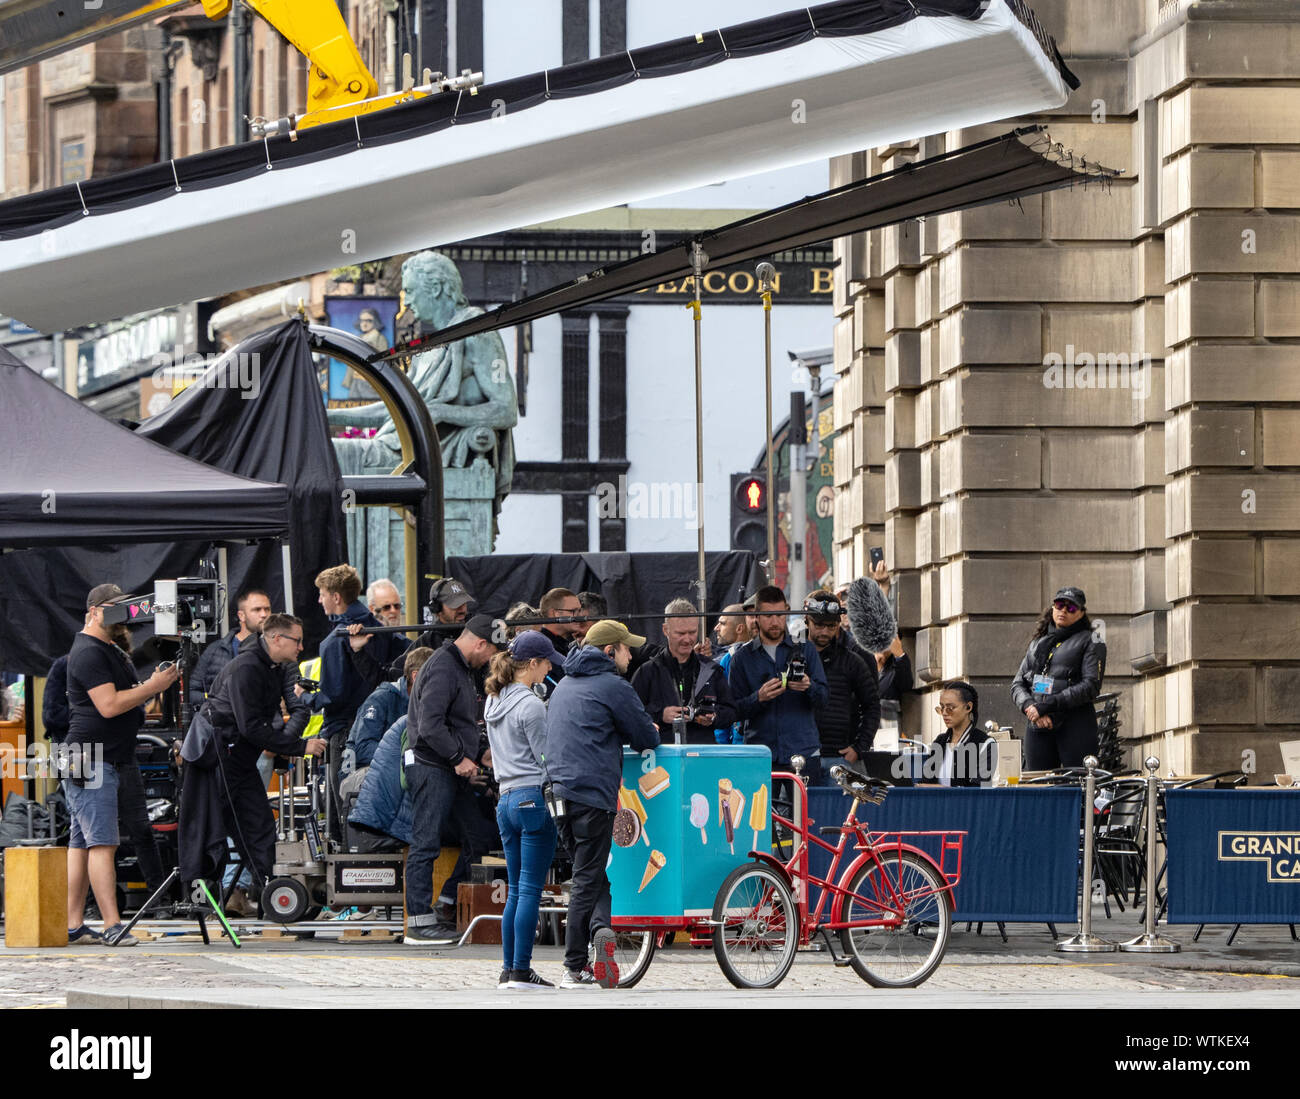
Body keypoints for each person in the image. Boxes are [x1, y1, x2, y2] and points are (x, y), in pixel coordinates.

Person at [64, 583, 179, 946]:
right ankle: (113, 925)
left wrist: (151, 686)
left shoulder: (111, 649)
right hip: (90, 756)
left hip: (110, 755)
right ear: (95, 611)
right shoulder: (87, 652)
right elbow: (110, 705)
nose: (123, 617)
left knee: (83, 843)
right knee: (101, 843)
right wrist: (153, 686)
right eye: (115, 610)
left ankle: (72, 923)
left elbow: (130, 703)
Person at [546, 620, 660, 988]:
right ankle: (574, 966)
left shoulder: (564, 683)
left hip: (556, 793)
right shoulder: (614, 685)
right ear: (610, 651)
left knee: (591, 875)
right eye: (627, 648)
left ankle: (600, 929)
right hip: (591, 794)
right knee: (585, 878)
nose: (631, 654)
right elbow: (646, 737)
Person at [202, 614, 327, 890]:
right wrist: (299, 746)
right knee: (223, 832)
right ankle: (239, 891)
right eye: (297, 641)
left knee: (259, 828)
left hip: (240, 759)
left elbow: (291, 711)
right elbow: (249, 727)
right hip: (223, 758)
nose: (301, 647)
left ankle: (270, 891)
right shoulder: (247, 668)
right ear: (277, 639)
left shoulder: (272, 667)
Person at [403, 614, 501, 944]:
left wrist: (477, 752)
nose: (491, 662)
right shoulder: (444, 667)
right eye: (492, 653)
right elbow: (430, 725)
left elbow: (451, 721)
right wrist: (459, 758)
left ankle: (444, 904)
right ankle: (418, 922)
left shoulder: (457, 668)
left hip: (445, 766)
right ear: (481, 643)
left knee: (478, 835)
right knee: (426, 841)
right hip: (432, 767)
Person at [483, 630, 563, 990]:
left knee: (515, 889)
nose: (548, 669)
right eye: (546, 663)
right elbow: (545, 758)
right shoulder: (530, 705)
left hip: (505, 799)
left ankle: (508, 969)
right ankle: (521, 971)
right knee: (530, 888)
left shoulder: (492, 700)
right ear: (532, 664)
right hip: (532, 796)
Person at [728, 586, 828, 773]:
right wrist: (759, 697)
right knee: (760, 803)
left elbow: (824, 699)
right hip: (761, 754)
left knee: (806, 803)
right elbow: (732, 711)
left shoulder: (806, 650)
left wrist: (808, 686)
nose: (775, 621)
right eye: (768, 616)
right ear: (756, 616)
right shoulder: (742, 658)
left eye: (780, 615)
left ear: (787, 612)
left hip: (803, 752)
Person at [1011, 587, 1106, 770]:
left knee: (1077, 783)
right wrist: (1030, 707)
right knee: (1037, 785)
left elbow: (1091, 686)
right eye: (1059, 605)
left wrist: (1047, 706)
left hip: (1074, 723)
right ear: (1052, 607)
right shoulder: (1038, 642)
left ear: (1081, 613)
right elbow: (1018, 683)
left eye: (1071, 608)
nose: (1063, 610)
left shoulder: (1092, 640)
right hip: (1038, 722)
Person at [631, 598, 736, 745]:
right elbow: (630, 716)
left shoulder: (711, 670)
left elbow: (731, 712)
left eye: (692, 632)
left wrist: (713, 717)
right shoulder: (647, 672)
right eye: (680, 633)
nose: (687, 639)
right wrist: (660, 715)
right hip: (661, 758)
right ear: (665, 630)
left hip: (701, 754)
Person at [804, 590, 880, 785]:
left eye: (831, 626)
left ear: (838, 624)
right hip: (800, 755)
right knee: (797, 814)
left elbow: (872, 705)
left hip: (839, 755)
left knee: (841, 814)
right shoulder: (791, 655)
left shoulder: (852, 660)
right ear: (807, 621)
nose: (824, 631)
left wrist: (859, 747)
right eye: (819, 625)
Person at [346, 646, 431, 771]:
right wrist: (407, 756)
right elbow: (363, 749)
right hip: (361, 773)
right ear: (416, 676)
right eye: (435, 677)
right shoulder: (381, 699)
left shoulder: (429, 704)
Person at [189, 588, 273, 705]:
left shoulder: (279, 649)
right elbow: (192, 692)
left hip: (263, 721)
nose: (264, 615)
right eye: (257, 610)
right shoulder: (216, 650)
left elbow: (295, 699)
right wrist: (218, 701)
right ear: (241, 616)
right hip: (223, 720)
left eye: (267, 609)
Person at [923, 681, 995, 788]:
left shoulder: (985, 743)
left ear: (968, 707)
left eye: (950, 708)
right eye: (942, 708)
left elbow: (978, 789)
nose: (944, 713)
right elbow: (925, 780)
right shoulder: (940, 741)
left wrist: (941, 790)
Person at [537, 588, 582, 684]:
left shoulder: (568, 645)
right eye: (573, 611)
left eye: (579, 611)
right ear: (554, 613)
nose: (579, 616)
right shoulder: (539, 648)